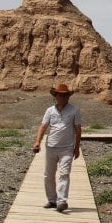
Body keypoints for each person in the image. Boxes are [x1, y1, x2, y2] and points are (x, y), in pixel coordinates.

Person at [32, 83, 82, 213]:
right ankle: (52, 200)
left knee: (64, 173)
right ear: (55, 97)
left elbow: (78, 129)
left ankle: (62, 201)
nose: (62, 97)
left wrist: (77, 148)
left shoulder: (75, 110)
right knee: (48, 174)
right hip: (51, 146)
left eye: (65, 95)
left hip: (67, 148)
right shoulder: (50, 110)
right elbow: (43, 126)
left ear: (68, 97)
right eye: (60, 95)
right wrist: (38, 141)